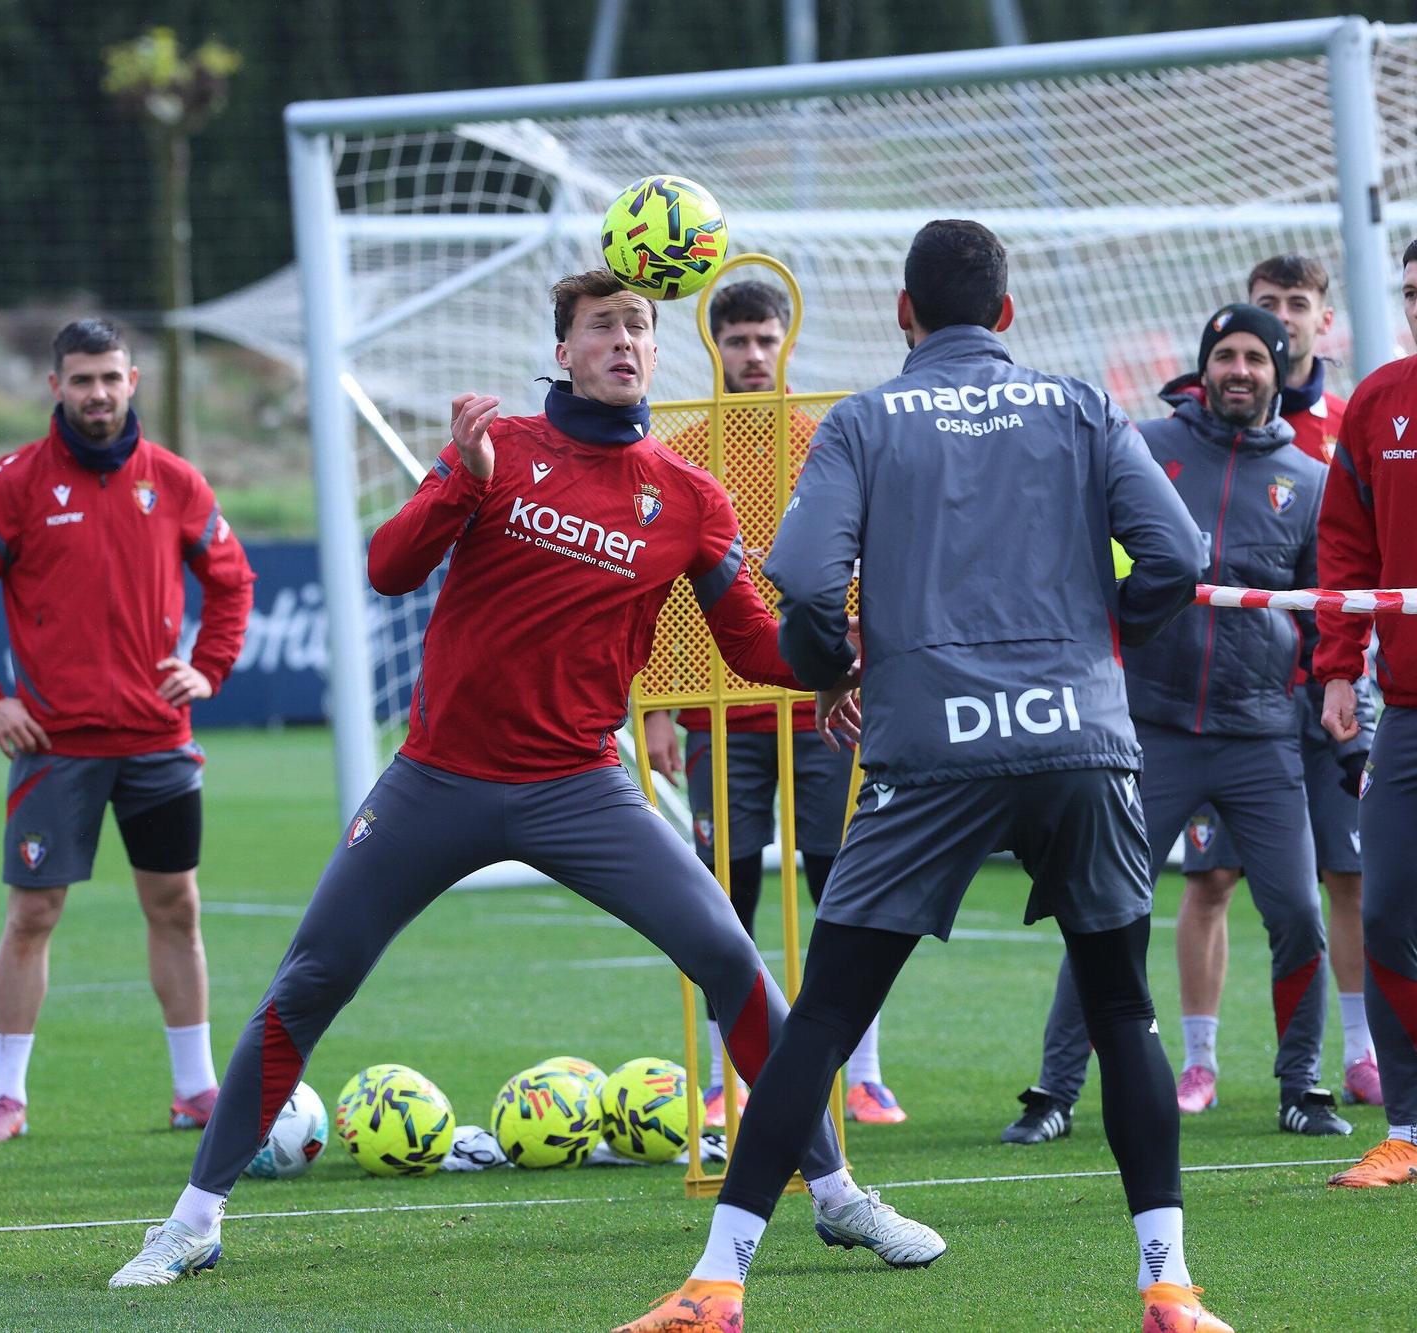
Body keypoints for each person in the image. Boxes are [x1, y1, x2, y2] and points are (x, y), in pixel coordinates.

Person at [109, 271, 944, 1293]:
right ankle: (194, 1219)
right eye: (601, 327)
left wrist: (833, 665)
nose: (624, 342)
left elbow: (750, 642)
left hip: (582, 787)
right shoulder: (493, 447)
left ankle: (833, 1194)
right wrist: (456, 476)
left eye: (638, 326)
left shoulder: (687, 497)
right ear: (563, 351)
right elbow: (384, 566)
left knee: (732, 960)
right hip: (435, 780)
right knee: (310, 978)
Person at [618, 220, 1228, 1333]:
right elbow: (1178, 558)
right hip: (1077, 737)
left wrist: (829, 668)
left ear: (903, 315)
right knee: (1121, 1006)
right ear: (1003, 315)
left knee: (822, 1019)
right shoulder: (1082, 406)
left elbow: (802, 576)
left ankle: (716, 1284)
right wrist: (1100, 645)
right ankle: (1168, 1285)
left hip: (928, 745)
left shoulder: (860, 420)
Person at [1007, 302, 1351, 1146]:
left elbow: (1321, 621)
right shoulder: (1149, 449)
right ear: (1205, 367)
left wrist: (1331, 698)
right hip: (1147, 728)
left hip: (1262, 736)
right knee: (1100, 907)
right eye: (1225, 356)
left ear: (1280, 370)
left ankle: (1300, 1086)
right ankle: (1054, 1093)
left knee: (1298, 915)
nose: (1239, 370)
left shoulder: (1308, 482)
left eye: (1255, 359)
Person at [0, 319, 255, 1142]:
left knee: (175, 906)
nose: (97, 394)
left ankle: (195, 1090)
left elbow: (233, 580)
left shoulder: (175, 481)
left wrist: (208, 668)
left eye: (110, 378)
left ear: (133, 380)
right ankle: (7, 1097)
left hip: (157, 740)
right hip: (54, 746)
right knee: (33, 913)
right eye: (82, 380)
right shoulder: (13, 485)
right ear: (55, 387)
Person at [643, 279, 905, 1128]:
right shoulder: (680, 449)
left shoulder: (823, 440)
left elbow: (867, 561)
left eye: (765, 340)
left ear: (788, 342)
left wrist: (867, 664)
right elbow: (657, 590)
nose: (753, 357)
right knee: (727, 897)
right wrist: (654, 704)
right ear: (712, 345)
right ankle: (732, 1076)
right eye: (738, 341)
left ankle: (859, 1072)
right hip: (720, 713)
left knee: (846, 887)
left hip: (826, 708)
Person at [1173, 254, 1379, 1112]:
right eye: (1267, 306)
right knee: (1211, 880)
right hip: (1232, 699)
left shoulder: (1351, 421)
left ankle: (1361, 1052)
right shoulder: (1191, 429)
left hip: (1328, 689)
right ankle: (1199, 1061)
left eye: (1297, 305)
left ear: (1322, 321)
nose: (1282, 319)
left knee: (1346, 874)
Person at [1318, 236, 1417, 1188]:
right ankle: (1410, 1127)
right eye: (1414, 292)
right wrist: (1340, 668)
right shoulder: (1380, 401)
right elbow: (1345, 551)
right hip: (1410, 710)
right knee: (1386, 912)